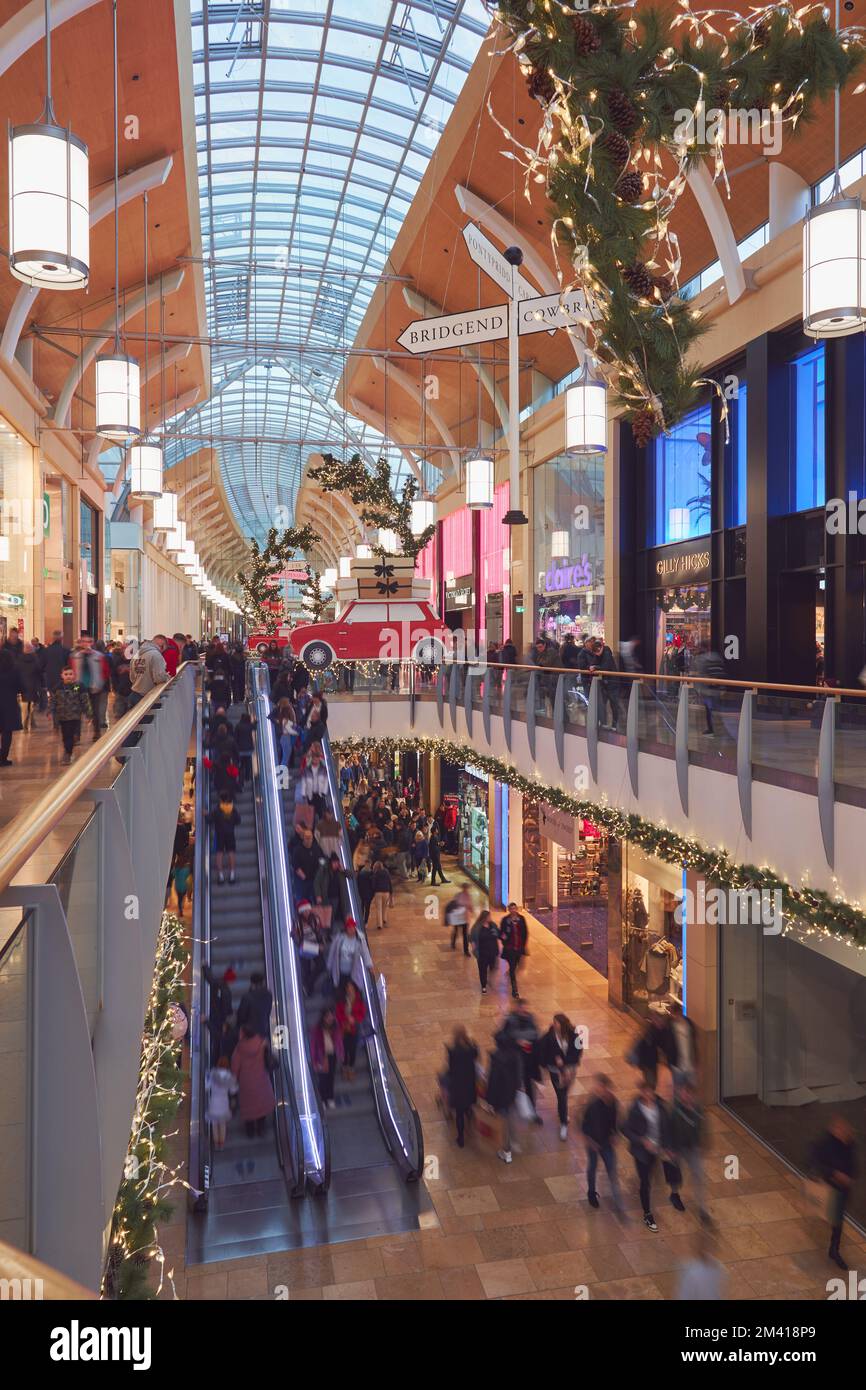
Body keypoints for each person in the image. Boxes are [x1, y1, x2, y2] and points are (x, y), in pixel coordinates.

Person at [622, 1081, 672, 1231]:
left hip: (657, 1149)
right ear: (641, 1093)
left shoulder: (660, 1106)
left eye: (650, 1092)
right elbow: (625, 1129)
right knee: (645, 1181)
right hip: (642, 1152)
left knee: (653, 1175)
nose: (648, 1095)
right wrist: (642, 1141)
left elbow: (666, 1126)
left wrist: (667, 1145)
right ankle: (647, 1213)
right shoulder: (635, 1109)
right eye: (645, 1092)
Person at [810, 1115, 858, 1269]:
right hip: (830, 1187)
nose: (843, 1133)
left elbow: (853, 1165)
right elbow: (817, 1160)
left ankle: (834, 1249)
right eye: (839, 1130)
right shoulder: (826, 1144)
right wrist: (835, 1174)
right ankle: (834, 1249)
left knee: (837, 1219)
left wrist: (849, 1177)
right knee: (836, 1219)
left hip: (843, 1189)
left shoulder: (849, 1144)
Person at [496, 998, 542, 1123]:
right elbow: (500, 1037)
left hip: (528, 1062)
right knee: (511, 1085)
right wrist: (516, 1041)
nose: (523, 1011)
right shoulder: (510, 1020)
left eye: (525, 1009)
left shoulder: (530, 1019)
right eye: (521, 1009)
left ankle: (532, 1112)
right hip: (513, 1061)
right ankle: (505, 1107)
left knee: (529, 1087)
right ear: (517, 1009)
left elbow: (536, 1036)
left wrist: (528, 1042)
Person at [666, 1080, 707, 1219]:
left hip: (693, 1147)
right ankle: (674, 1193)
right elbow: (667, 1130)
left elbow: (701, 1126)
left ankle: (702, 1208)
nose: (684, 1095)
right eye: (682, 1092)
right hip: (678, 1147)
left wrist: (702, 1143)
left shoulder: (697, 1109)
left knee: (698, 1175)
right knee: (676, 1174)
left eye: (687, 1093)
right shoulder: (674, 1110)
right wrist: (670, 1148)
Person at [582, 1074, 623, 1212]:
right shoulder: (593, 1105)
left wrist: (615, 1134)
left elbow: (615, 1123)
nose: (598, 1090)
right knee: (592, 1168)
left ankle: (616, 1198)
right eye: (597, 1087)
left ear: (606, 1088)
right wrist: (590, 1141)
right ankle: (591, 1193)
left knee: (611, 1168)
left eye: (600, 1087)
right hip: (593, 1143)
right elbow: (584, 1125)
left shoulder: (613, 1103)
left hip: (606, 1142)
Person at [541, 1013, 583, 1140]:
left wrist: (564, 1060)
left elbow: (578, 1051)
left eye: (556, 1023)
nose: (554, 1025)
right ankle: (564, 1122)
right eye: (553, 1022)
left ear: (563, 1024)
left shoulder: (573, 1034)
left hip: (569, 1070)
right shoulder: (550, 1035)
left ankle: (562, 1112)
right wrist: (553, 1060)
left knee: (563, 1094)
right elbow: (543, 1049)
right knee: (561, 1094)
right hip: (555, 1070)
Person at [230, 1025, 276, 1138]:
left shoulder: (239, 1048)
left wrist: (233, 1081)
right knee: (261, 1106)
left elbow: (235, 1068)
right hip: (261, 1080)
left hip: (246, 1083)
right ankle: (261, 1129)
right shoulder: (262, 1042)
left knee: (248, 1108)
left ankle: (250, 1131)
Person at [486, 1032, 521, 1164]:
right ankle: (514, 1142)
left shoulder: (496, 1058)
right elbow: (518, 1076)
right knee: (510, 1118)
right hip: (511, 1094)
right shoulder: (515, 1055)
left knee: (503, 1123)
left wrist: (490, 1101)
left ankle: (507, 1152)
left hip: (500, 1096)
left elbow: (493, 1081)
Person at [445, 1026, 478, 1148]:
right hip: (469, 1085)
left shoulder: (453, 1051)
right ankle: (471, 1125)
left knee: (459, 1114)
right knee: (468, 1107)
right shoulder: (471, 1049)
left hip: (458, 1086)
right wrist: (470, 1041)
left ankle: (461, 1138)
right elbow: (476, 1054)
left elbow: (451, 1068)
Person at [52, 665, 89, 764]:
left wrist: (88, 714)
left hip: (75, 716)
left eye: (70, 674)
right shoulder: (57, 687)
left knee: (71, 734)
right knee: (65, 735)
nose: (68, 676)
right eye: (66, 674)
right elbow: (53, 701)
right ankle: (67, 751)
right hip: (62, 717)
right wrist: (50, 712)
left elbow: (84, 700)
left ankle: (67, 753)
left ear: (74, 675)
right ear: (62, 675)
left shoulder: (78, 686)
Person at [310, 1007, 343, 1108]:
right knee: (322, 1079)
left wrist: (341, 1053)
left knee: (331, 1078)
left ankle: (330, 1098)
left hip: (332, 1056)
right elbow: (313, 1046)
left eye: (331, 1016)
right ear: (323, 1018)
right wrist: (314, 1061)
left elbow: (339, 1042)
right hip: (321, 1057)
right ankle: (322, 1100)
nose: (330, 1018)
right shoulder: (317, 1030)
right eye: (328, 1016)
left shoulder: (335, 1028)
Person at [661, 1002, 699, 1091]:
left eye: (673, 1014)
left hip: (690, 1065)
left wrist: (696, 1061)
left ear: (679, 1012)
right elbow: (666, 1045)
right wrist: (669, 1062)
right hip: (677, 1066)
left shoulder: (689, 1024)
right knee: (678, 1092)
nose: (673, 1016)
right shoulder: (669, 1025)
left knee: (691, 1091)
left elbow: (694, 1043)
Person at [327, 918, 372, 992]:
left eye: (352, 928)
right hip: (340, 971)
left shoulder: (359, 939)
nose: (351, 930)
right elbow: (332, 951)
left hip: (353, 972)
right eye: (349, 928)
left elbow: (365, 952)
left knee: (352, 990)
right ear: (346, 929)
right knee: (340, 989)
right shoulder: (339, 938)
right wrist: (329, 965)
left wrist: (369, 965)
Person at [205, 1054, 237, 1150]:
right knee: (222, 1124)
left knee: (214, 1124)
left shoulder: (212, 1075)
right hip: (224, 1102)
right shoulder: (230, 1077)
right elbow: (233, 1090)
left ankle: (215, 1144)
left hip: (214, 1101)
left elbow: (206, 1087)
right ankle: (221, 1144)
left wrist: (206, 1078)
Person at [208, 791, 241, 886]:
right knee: (231, 853)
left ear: (220, 799)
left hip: (219, 834)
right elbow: (238, 821)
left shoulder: (217, 809)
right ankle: (232, 875)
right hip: (230, 834)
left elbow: (209, 820)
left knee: (219, 854)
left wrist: (206, 814)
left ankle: (221, 876)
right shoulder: (232, 809)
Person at [336, 981, 366, 1081]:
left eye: (351, 987)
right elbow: (338, 1013)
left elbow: (362, 1013)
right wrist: (345, 1020)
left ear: (354, 988)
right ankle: (344, 1067)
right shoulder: (342, 999)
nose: (349, 990)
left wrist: (354, 1019)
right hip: (344, 1029)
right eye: (347, 988)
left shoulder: (359, 999)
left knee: (352, 1050)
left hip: (354, 1029)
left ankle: (351, 1068)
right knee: (344, 1049)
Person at [499, 902, 529, 999]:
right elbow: (501, 933)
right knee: (512, 968)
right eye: (511, 909)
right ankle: (514, 990)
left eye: (514, 908)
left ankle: (511, 972)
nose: (513, 910)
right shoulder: (505, 920)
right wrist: (505, 942)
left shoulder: (521, 919)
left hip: (519, 948)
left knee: (516, 965)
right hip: (510, 948)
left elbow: (525, 932)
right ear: (509, 910)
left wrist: (524, 945)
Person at [128, 636, 168, 706]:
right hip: (148, 696)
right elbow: (159, 678)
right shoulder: (156, 655)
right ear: (163, 645)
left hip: (134, 694)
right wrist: (167, 676)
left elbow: (132, 678)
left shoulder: (136, 655)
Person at [289, 823, 324, 903]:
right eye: (307, 838)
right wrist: (303, 876)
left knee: (317, 900)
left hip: (315, 880)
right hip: (303, 881)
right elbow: (295, 865)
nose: (309, 840)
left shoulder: (316, 848)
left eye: (310, 838)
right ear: (303, 838)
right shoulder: (297, 850)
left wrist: (321, 870)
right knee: (304, 900)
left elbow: (322, 859)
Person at [0, 647, 22, 767]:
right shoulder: (14, 670)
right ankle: (3, 758)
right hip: (9, 704)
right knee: (7, 732)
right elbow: (20, 687)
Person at [469, 909, 500, 993]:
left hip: (492, 952)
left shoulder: (493, 925)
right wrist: (474, 949)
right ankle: (483, 985)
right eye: (489, 916)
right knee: (482, 970)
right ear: (484, 917)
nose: (490, 918)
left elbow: (498, 934)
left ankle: (489, 980)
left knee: (492, 967)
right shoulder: (477, 927)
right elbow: (472, 938)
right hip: (482, 953)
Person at [236, 971, 273, 1039]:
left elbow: (241, 1016)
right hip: (263, 1032)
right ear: (263, 982)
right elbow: (268, 1012)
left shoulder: (247, 997)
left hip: (250, 1034)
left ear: (252, 983)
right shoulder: (269, 996)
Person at [16, 642, 41, 731]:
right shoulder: (35, 658)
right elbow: (39, 671)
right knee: (31, 705)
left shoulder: (19, 658)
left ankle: (24, 724)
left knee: (24, 706)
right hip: (33, 685)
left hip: (23, 686)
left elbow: (17, 672)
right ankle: (30, 722)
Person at [446, 887, 472, 956]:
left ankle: (466, 950)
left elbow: (470, 906)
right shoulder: (459, 896)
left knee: (464, 934)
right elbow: (455, 905)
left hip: (464, 918)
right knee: (456, 931)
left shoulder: (468, 896)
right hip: (458, 917)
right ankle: (453, 943)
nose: (466, 890)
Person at [369, 859, 393, 931]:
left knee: (379, 909)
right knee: (385, 907)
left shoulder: (375, 873)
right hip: (386, 892)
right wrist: (391, 892)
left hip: (378, 892)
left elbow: (373, 884)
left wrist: (373, 891)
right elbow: (389, 882)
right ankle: (384, 920)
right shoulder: (386, 872)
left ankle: (379, 925)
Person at [234, 710, 255, 791]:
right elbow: (254, 727)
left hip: (240, 749)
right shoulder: (249, 725)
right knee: (248, 762)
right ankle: (248, 776)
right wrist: (255, 722)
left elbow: (235, 737)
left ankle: (241, 779)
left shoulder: (238, 726)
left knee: (241, 765)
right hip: (249, 748)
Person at [171, 849, 193, 918]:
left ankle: (180, 908)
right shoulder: (186, 869)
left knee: (179, 898)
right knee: (183, 897)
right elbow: (189, 873)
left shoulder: (176, 869)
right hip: (184, 886)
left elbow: (173, 874)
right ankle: (181, 908)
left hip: (177, 886)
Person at [428, 820, 449, 885]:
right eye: (436, 830)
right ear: (434, 831)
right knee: (435, 868)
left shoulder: (434, 837)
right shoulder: (433, 837)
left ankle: (443, 879)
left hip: (436, 854)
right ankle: (433, 881)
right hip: (435, 855)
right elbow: (435, 846)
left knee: (439, 867)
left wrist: (439, 844)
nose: (437, 830)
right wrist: (440, 844)